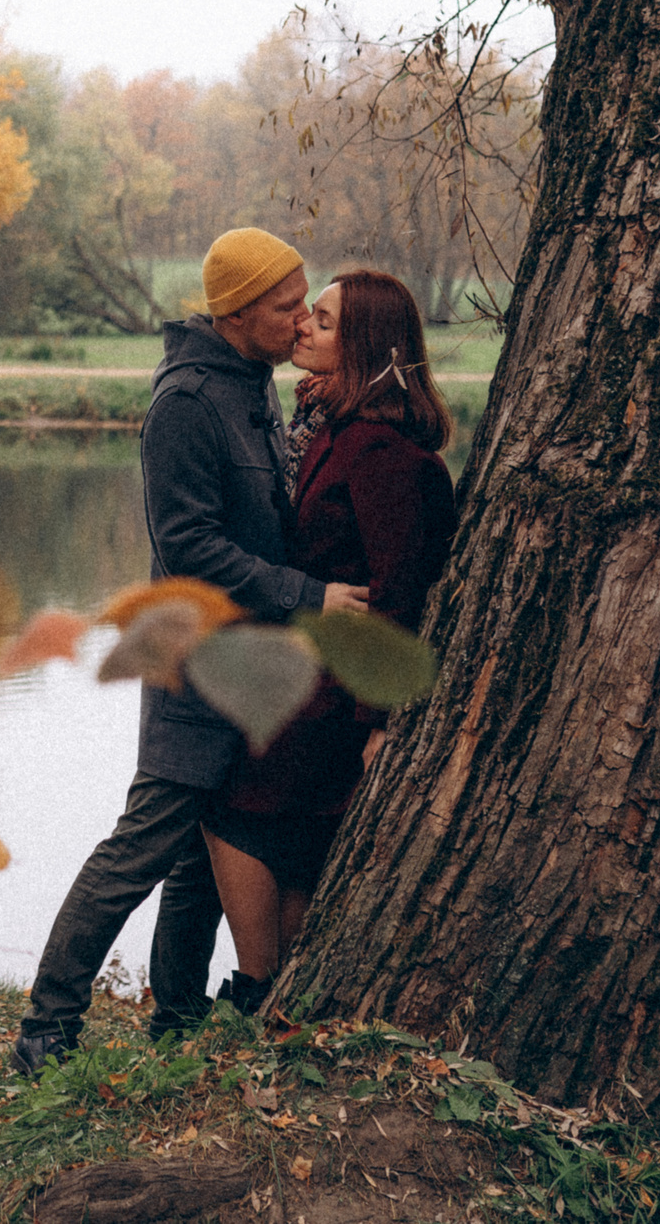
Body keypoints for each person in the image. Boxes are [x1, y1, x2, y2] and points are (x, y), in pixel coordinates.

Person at [10, 229, 369, 1073]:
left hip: (250, 672)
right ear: (239, 310)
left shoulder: (255, 383)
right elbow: (189, 548)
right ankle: (46, 1025)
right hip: (192, 668)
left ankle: (176, 1017)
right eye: (287, 305)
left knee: (205, 852)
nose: (299, 317)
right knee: (143, 844)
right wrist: (308, 595)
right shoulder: (185, 403)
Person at [202, 269, 458, 1013]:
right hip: (307, 677)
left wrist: (379, 720)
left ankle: (255, 987)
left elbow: (402, 592)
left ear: (366, 343)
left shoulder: (381, 452)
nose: (303, 328)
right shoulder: (333, 428)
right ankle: (277, 995)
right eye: (305, 314)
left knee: (233, 812)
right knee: (292, 849)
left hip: (336, 693)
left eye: (322, 318)